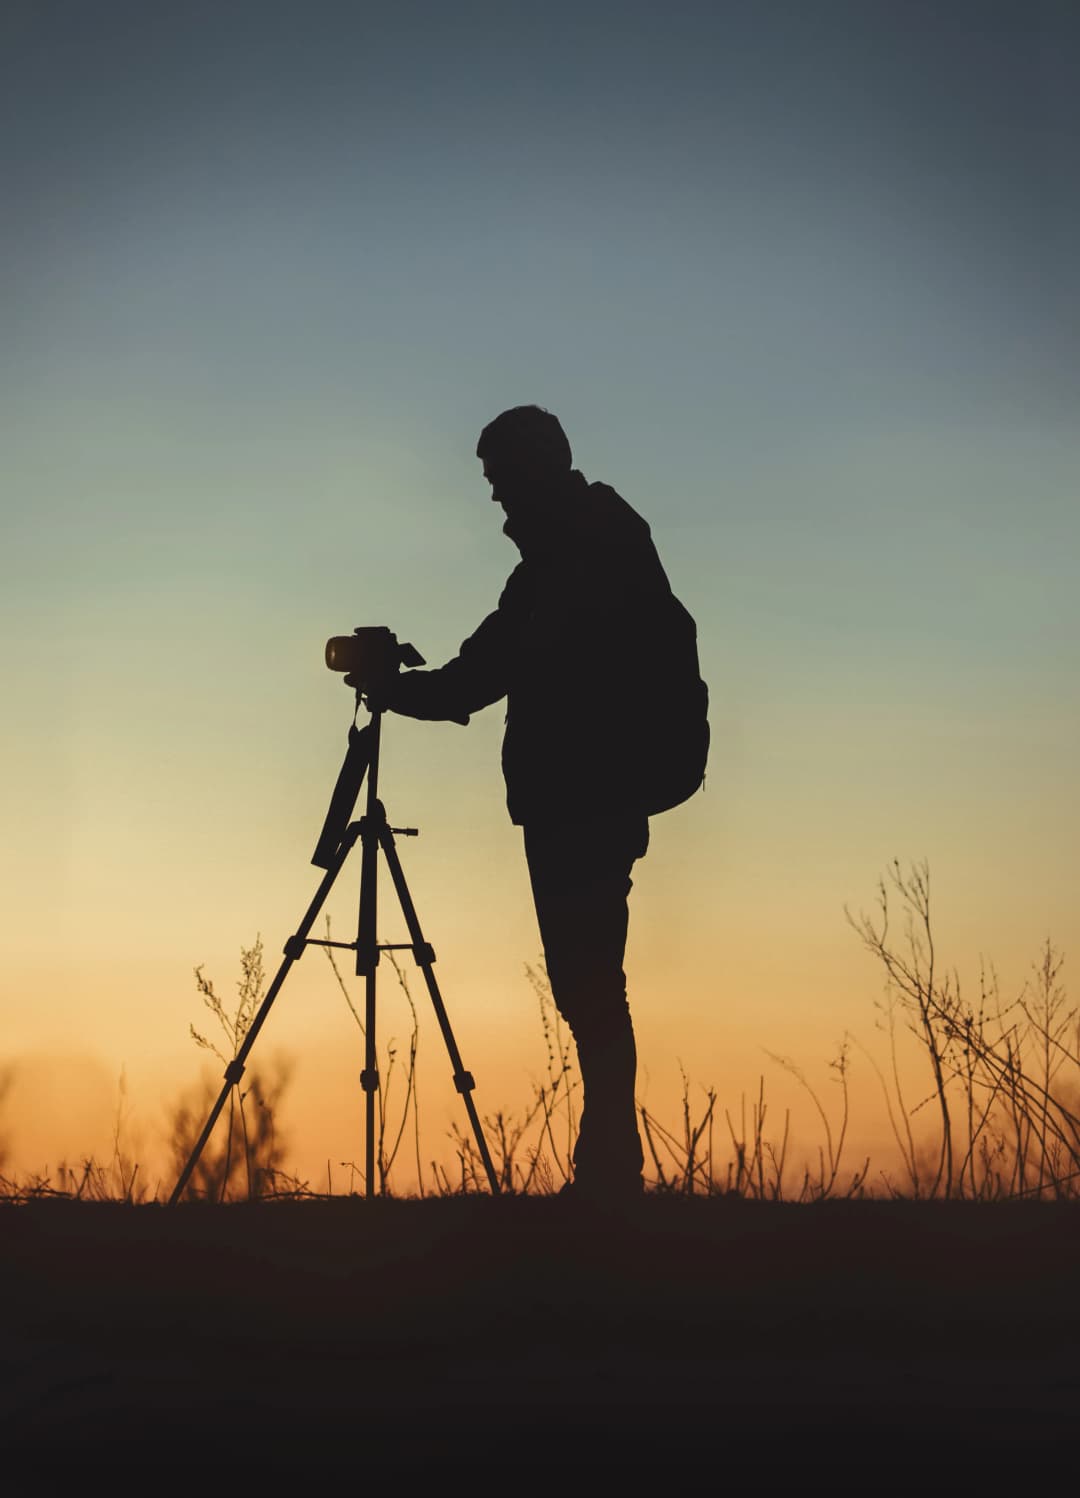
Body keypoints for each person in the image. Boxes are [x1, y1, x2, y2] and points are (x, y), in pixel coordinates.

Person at [380, 406, 706, 1203]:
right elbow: (487, 666)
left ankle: (608, 1177)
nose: (496, 502)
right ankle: (608, 1171)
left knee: (591, 984)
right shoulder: (583, 550)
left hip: (586, 796)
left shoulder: (580, 556)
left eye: (500, 482)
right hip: (583, 795)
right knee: (589, 983)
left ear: (535, 470)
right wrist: (412, 693)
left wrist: (401, 695)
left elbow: (488, 670)